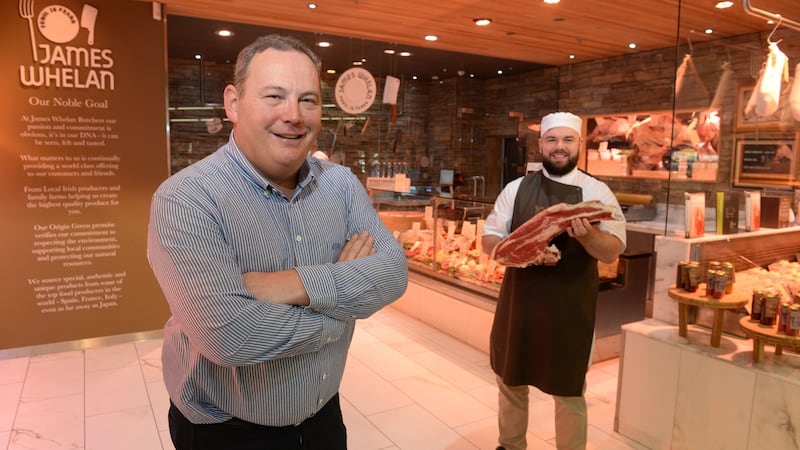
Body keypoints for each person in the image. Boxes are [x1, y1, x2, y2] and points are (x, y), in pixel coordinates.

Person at [147, 34, 408, 450]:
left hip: (323, 418)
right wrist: (341, 305)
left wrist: (289, 284)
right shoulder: (186, 199)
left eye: (308, 100)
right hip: (226, 433)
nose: (294, 116)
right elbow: (229, 336)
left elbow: (393, 273)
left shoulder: (340, 185)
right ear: (234, 103)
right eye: (274, 96)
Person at [482, 112, 626, 450]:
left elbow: (611, 252)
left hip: (569, 307)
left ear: (579, 143)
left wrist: (588, 235)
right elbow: (490, 239)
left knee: (568, 389)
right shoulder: (516, 189)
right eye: (552, 139)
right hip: (520, 302)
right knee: (510, 380)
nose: (559, 147)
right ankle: (510, 445)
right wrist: (520, 251)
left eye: (567, 140)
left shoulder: (597, 191)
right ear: (541, 144)